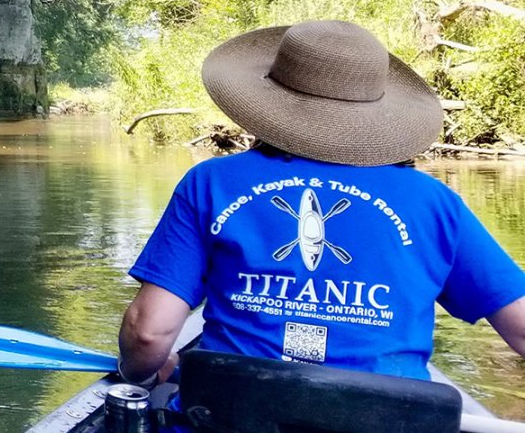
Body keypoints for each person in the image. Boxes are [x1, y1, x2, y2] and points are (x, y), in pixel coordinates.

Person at [117, 20, 525, 387]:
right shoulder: (436, 203)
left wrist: (141, 374)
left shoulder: (211, 182)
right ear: (380, 114)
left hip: (227, 415)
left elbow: (148, 333)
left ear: (265, 101)